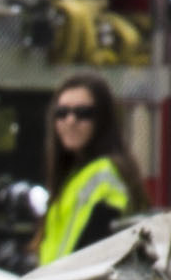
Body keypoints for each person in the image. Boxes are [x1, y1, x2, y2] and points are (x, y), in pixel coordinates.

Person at [32, 74, 140, 261]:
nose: (70, 120)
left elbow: (99, 247)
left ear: (102, 121)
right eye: (62, 113)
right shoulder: (73, 176)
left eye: (83, 113)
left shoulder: (105, 173)